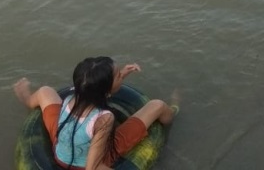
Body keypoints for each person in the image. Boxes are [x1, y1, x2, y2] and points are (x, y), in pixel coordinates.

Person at [14, 57, 177, 170]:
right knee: (158, 105)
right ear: (106, 91)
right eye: (119, 76)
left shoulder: (72, 97)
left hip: (60, 150)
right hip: (89, 162)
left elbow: (97, 91)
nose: (121, 75)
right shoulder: (104, 119)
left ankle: (27, 98)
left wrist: (121, 75)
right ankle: (174, 111)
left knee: (45, 92)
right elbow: (93, 167)